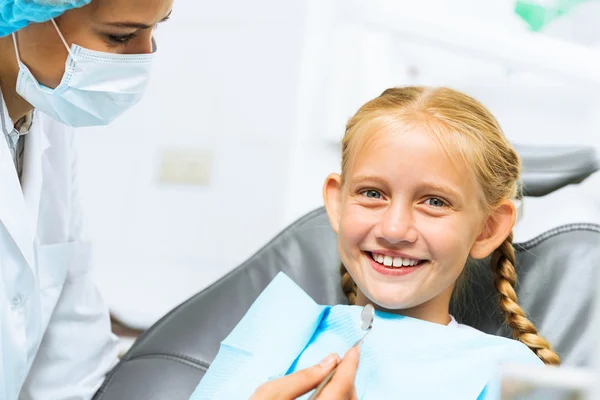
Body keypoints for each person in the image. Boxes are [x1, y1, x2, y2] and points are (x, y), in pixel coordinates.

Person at [192, 86, 560, 399]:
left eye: (434, 202)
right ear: (337, 203)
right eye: (372, 193)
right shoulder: (278, 325)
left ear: (486, 229)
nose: (394, 228)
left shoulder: (506, 373)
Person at [0, 0, 172, 398]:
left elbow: (71, 361)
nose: (144, 59)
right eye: (120, 36)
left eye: (155, 29)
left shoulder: (48, 129)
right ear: (18, 16)